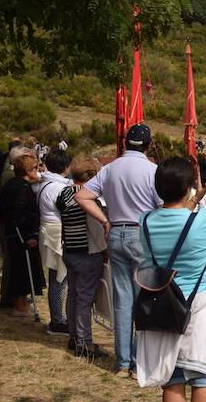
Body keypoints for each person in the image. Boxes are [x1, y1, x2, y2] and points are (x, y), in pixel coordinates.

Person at [134, 157, 206, 400]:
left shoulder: (145, 220)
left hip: (162, 303)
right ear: (188, 186)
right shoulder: (202, 221)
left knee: (172, 379)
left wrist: (196, 197)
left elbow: (176, 217)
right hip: (200, 302)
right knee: (202, 378)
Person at [75, 123, 160, 378]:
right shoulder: (153, 170)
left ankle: (123, 363)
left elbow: (82, 196)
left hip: (116, 232)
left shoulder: (110, 168)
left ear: (125, 142)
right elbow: (161, 206)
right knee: (144, 300)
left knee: (123, 301)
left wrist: (104, 220)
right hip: (141, 233)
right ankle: (137, 363)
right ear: (148, 145)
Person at [57, 156, 108, 359]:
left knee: (73, 296)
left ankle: (73, 336)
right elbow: (95, 230)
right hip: (87, 252)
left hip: (70, 249)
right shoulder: (87, 198)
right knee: (85, 300)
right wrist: (105, 250)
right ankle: (84, 343)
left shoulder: (64, 193)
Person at [0, 153, 47, 317]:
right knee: (23, 271)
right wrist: (29, 236)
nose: (38, 170)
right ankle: (19, 305)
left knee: (21, 269)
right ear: (27, 170)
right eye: (35, 167)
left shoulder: (12, 185)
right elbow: (20, 214)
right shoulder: (22, 188)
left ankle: (22, 303)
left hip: (13, 234)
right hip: (21, 236)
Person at [35, 148, 73, 337]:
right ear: (66, 167)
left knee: (57, 277)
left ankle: (58, 318)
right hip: (56, 234)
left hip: (50, 232)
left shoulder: (45, 183)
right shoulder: (58, 187)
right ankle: (58, 321)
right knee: (60, 279)